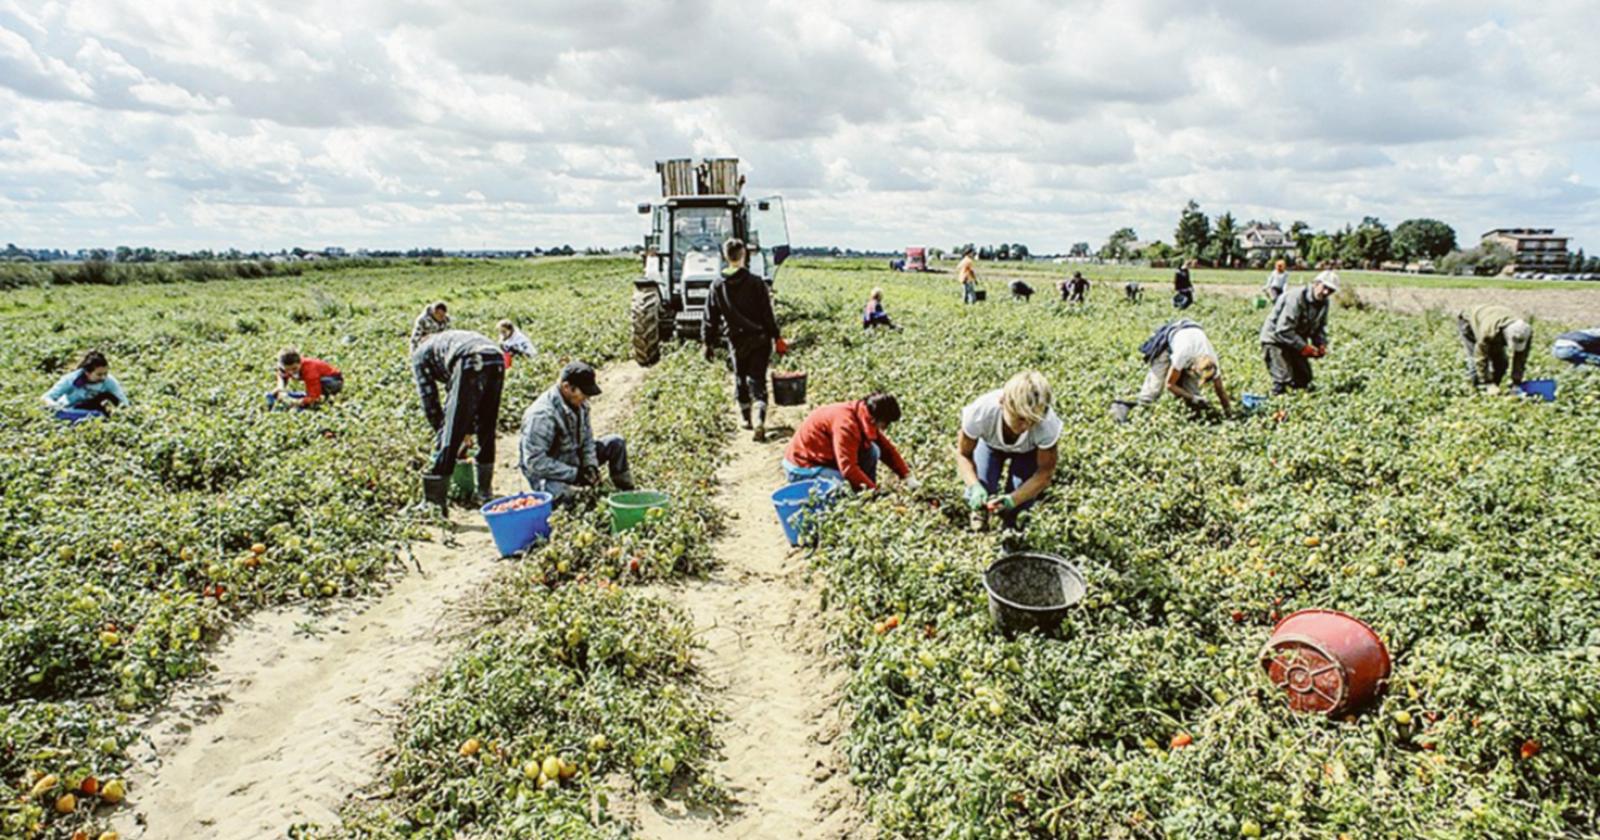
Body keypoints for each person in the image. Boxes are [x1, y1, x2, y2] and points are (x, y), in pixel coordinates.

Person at [703, 237, 786, 441]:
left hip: (736, 340)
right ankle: (759, 418)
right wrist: (777, 337)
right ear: (744, 255)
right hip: (759, 339)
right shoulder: (756, 283)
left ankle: (745, 418)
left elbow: (710, 317)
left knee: (740, 378)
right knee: (757, 378)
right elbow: (768, 314)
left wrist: (708, 342)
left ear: (725, 256)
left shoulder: (717, 285)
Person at [955, 371, 1062, 531]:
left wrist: (1013, 499)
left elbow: (1044, 473)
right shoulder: (981, 413)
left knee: (1021, 501)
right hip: (991, 446)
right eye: (1020, 418)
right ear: (1003, 402)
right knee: (984, 485)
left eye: (1032, 420)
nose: (1026, 427)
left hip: (1028, 452)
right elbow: (963, 454)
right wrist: (974, 486)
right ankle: (979, 515)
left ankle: (1011, 529)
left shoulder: (1046, 425)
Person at [411, 329, 504, 510]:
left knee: (450, 431)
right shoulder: (444, 345)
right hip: (496, 356)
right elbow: (464, 397)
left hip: (470, 357)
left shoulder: (419, 355)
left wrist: (442, 432)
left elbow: (429, 399)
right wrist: (468, 430)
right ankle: (485, 492)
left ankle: (434, 503)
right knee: (487, 424)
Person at [519, 362, 633, 503]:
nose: (587, 398)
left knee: (616, 443)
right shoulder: (542, 415)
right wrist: (575, 475)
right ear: (567, 387)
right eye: (584, 393)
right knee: (572, 497)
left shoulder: (580, 405)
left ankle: (626, 491)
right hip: (548, 474)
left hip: (574, 459)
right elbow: (535, 462)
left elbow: (587, 440)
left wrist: (590, 465)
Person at [783, 394, 912, 491]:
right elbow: (848, 468)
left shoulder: (863, 414)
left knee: (873, 451)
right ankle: (863, 495)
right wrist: (874, 492)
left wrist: (906, 476)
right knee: (843, 488)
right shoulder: (847, 425)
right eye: (886, 424)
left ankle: (864, 492)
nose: (885, 428)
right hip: (802, 467)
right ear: (875, 420)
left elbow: (886, 449)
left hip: (822, 458)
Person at [1131, 320, 1231, 415]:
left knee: (1192, 394)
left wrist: (1229, 414)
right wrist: (1192, 397)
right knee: (1154, 386)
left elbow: (1220, 391)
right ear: (1194, 368)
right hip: (1174, 335)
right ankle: (1142, 409)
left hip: (1193, 332)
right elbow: (1169, 384)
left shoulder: (1213, 362)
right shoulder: (1183, 354)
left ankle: (1190, 414)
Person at [1259, 271, 1337, 394]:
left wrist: (1321, 344)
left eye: (1331, 290)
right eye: (1325, 287)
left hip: (1294, 340)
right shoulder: (1296, 297)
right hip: (1275, 339)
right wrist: (1304, 347)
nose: (1326, 292)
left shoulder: (1324, 303)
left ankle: (1298, 406)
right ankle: (1276, 405)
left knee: (1304, 378)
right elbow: (1283, 329)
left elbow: (1320, 327)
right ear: (1316, 284)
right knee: (1283, 378)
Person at [1456, 304, 1532, 390]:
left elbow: (1521, 357)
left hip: (1492, 318)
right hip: (1469, 321)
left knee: (1501, 363)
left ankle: (1495, 388)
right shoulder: (1488, 332)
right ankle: (1475, 390)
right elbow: (1480, 357)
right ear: (1505, 335)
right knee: (1474, 365)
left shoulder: (1525, 332)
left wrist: (1516, 382)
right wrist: (1488, 383)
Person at [42, 350, 128, 415]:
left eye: (105, 373)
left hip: (95, 412)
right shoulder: (71, 379)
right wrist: (55, 407)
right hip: (71, 410)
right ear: (87, 373)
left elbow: (124, 403)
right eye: (99, 374)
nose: (103, 377)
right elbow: (47, 397)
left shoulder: (109, 381)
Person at [268, 348, 343, 410]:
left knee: (315, 396)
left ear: (300, 363)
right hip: (317, 381)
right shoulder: (284, 368)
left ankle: (323, 400)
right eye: (288, 370)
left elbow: (314, 395)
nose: (291, 372)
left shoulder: (310, 370)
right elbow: (282, 375)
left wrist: (298, 402)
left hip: (333, 381)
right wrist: (280, 387)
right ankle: (305, 397)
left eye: (294, 369)